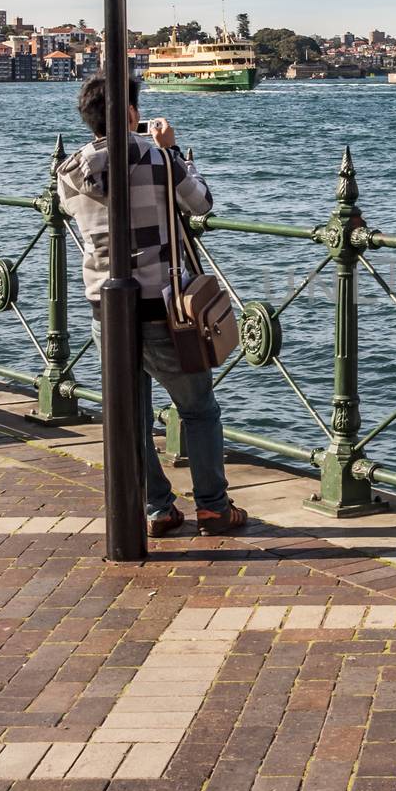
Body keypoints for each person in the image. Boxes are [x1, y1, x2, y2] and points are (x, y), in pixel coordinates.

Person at [58, 76, 248, 538]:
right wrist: (174, 150)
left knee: (130, 414)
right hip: (164, 308)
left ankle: (158, 508)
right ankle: (213, 509)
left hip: (106, 306)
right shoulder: (160, 160)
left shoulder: (67, 173)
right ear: (129, 114)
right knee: (199, 408)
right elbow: (201, 202)